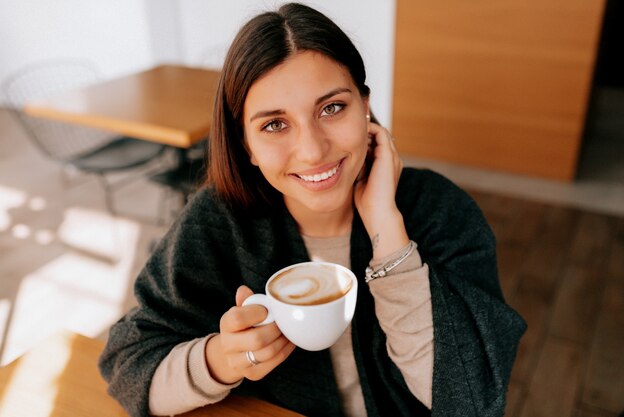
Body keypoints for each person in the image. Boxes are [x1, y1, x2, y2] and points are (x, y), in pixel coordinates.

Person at [98, 3, 526, 417]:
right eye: (274, 124)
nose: (312, 150)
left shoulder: (439, 210)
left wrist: (387, 229)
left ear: (366, 106)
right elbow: (126, 364)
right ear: (246, 145)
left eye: (333, 107)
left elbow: (472, 401)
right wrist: (221, 360)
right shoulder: (219, 221)